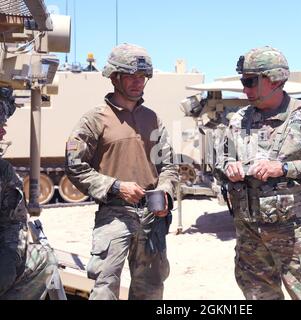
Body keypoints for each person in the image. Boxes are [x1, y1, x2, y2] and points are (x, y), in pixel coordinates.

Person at [216, 46, 301, 300]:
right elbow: (221, 160)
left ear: (275, 80)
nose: (244, 89)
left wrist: (283, 168)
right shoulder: (238, 119)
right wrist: (229, 167)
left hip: (294, 234)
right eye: (243, 81)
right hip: (249, 233)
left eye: (250, 82)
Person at [65, 43, 178, 300]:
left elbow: (169, 166)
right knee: (105, 287)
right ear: (114, 77)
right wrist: (116, 186)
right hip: (114, 214)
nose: (138, 83)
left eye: (143, 77)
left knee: (151, 289)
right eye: (131, 76)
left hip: (152, 217)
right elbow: (74, 166)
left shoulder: (153, 119)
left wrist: (166, 193)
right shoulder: (95, 120)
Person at [0, 88, 58, 300]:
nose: (3, 133)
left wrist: (9, 261)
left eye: (3, 126)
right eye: (0, 126)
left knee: (43, 258)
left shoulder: (3, 171)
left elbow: (12, 223)